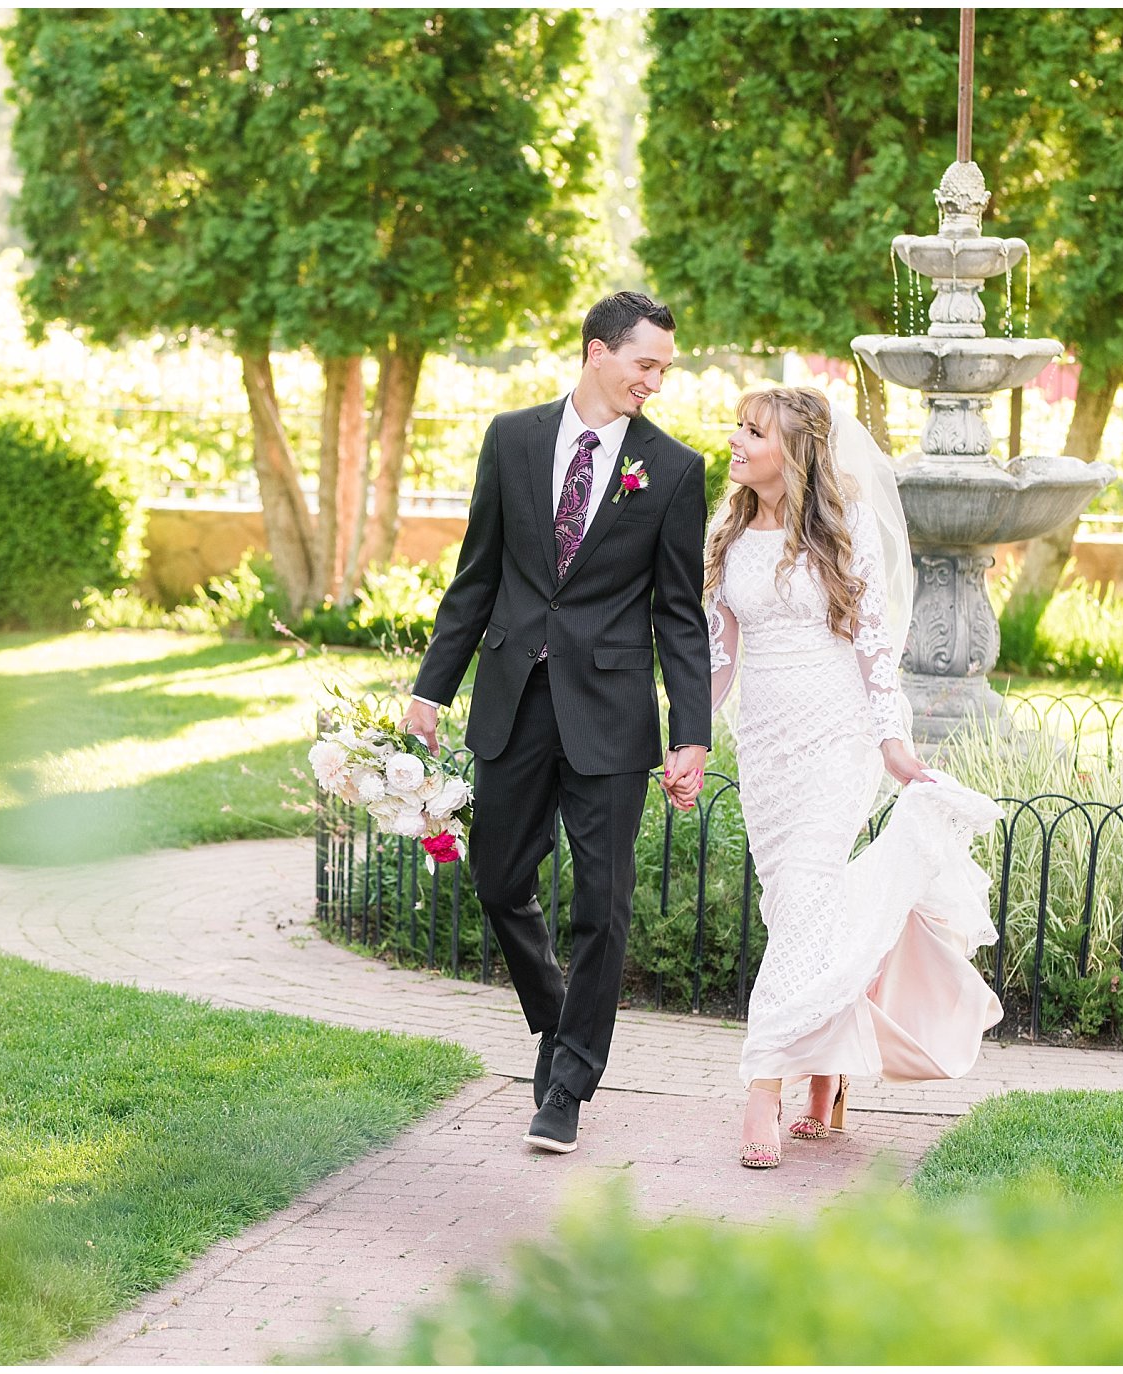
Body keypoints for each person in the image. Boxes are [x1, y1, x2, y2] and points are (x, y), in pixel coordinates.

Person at [402, 291, 713, 1155]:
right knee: (499, 878)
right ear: (595, 352)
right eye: (644, 363)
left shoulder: (674, 470)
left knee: (603, 907)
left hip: (612, 714)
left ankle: (568, 1085)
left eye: (663, 369)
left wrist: (693, 731)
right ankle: (554, 1018)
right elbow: (477, 576)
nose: (654, 381)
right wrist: (431, 692)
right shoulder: (512, 439)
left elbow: (679, 614)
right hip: (512, 700)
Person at [703, 384, 1003, 1170]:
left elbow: (875, 649)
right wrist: (691, 738)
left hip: (838, 743)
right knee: (794, 911)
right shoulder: (729, 532)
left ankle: (763, 1087)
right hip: (765, 750)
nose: (735, 440)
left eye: (752, 430)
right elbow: (720, 655)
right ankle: (827, 1081)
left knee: (803, 898)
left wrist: (894, 744)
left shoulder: (848, 531)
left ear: (794, 451)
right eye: (738, 426)